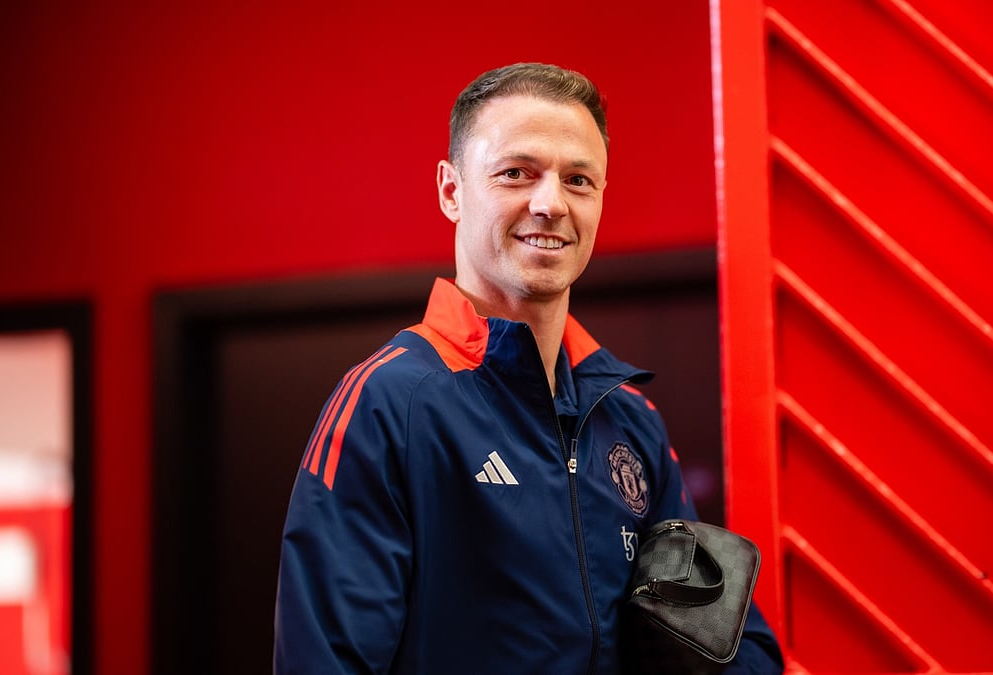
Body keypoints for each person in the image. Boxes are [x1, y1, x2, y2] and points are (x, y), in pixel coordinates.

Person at [274, 62, 784, 674]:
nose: (551, 204)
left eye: (578, 180)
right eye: (517, 173)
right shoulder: (389, 404)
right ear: (451, 191)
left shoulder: (629, 419)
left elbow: (732, 645)